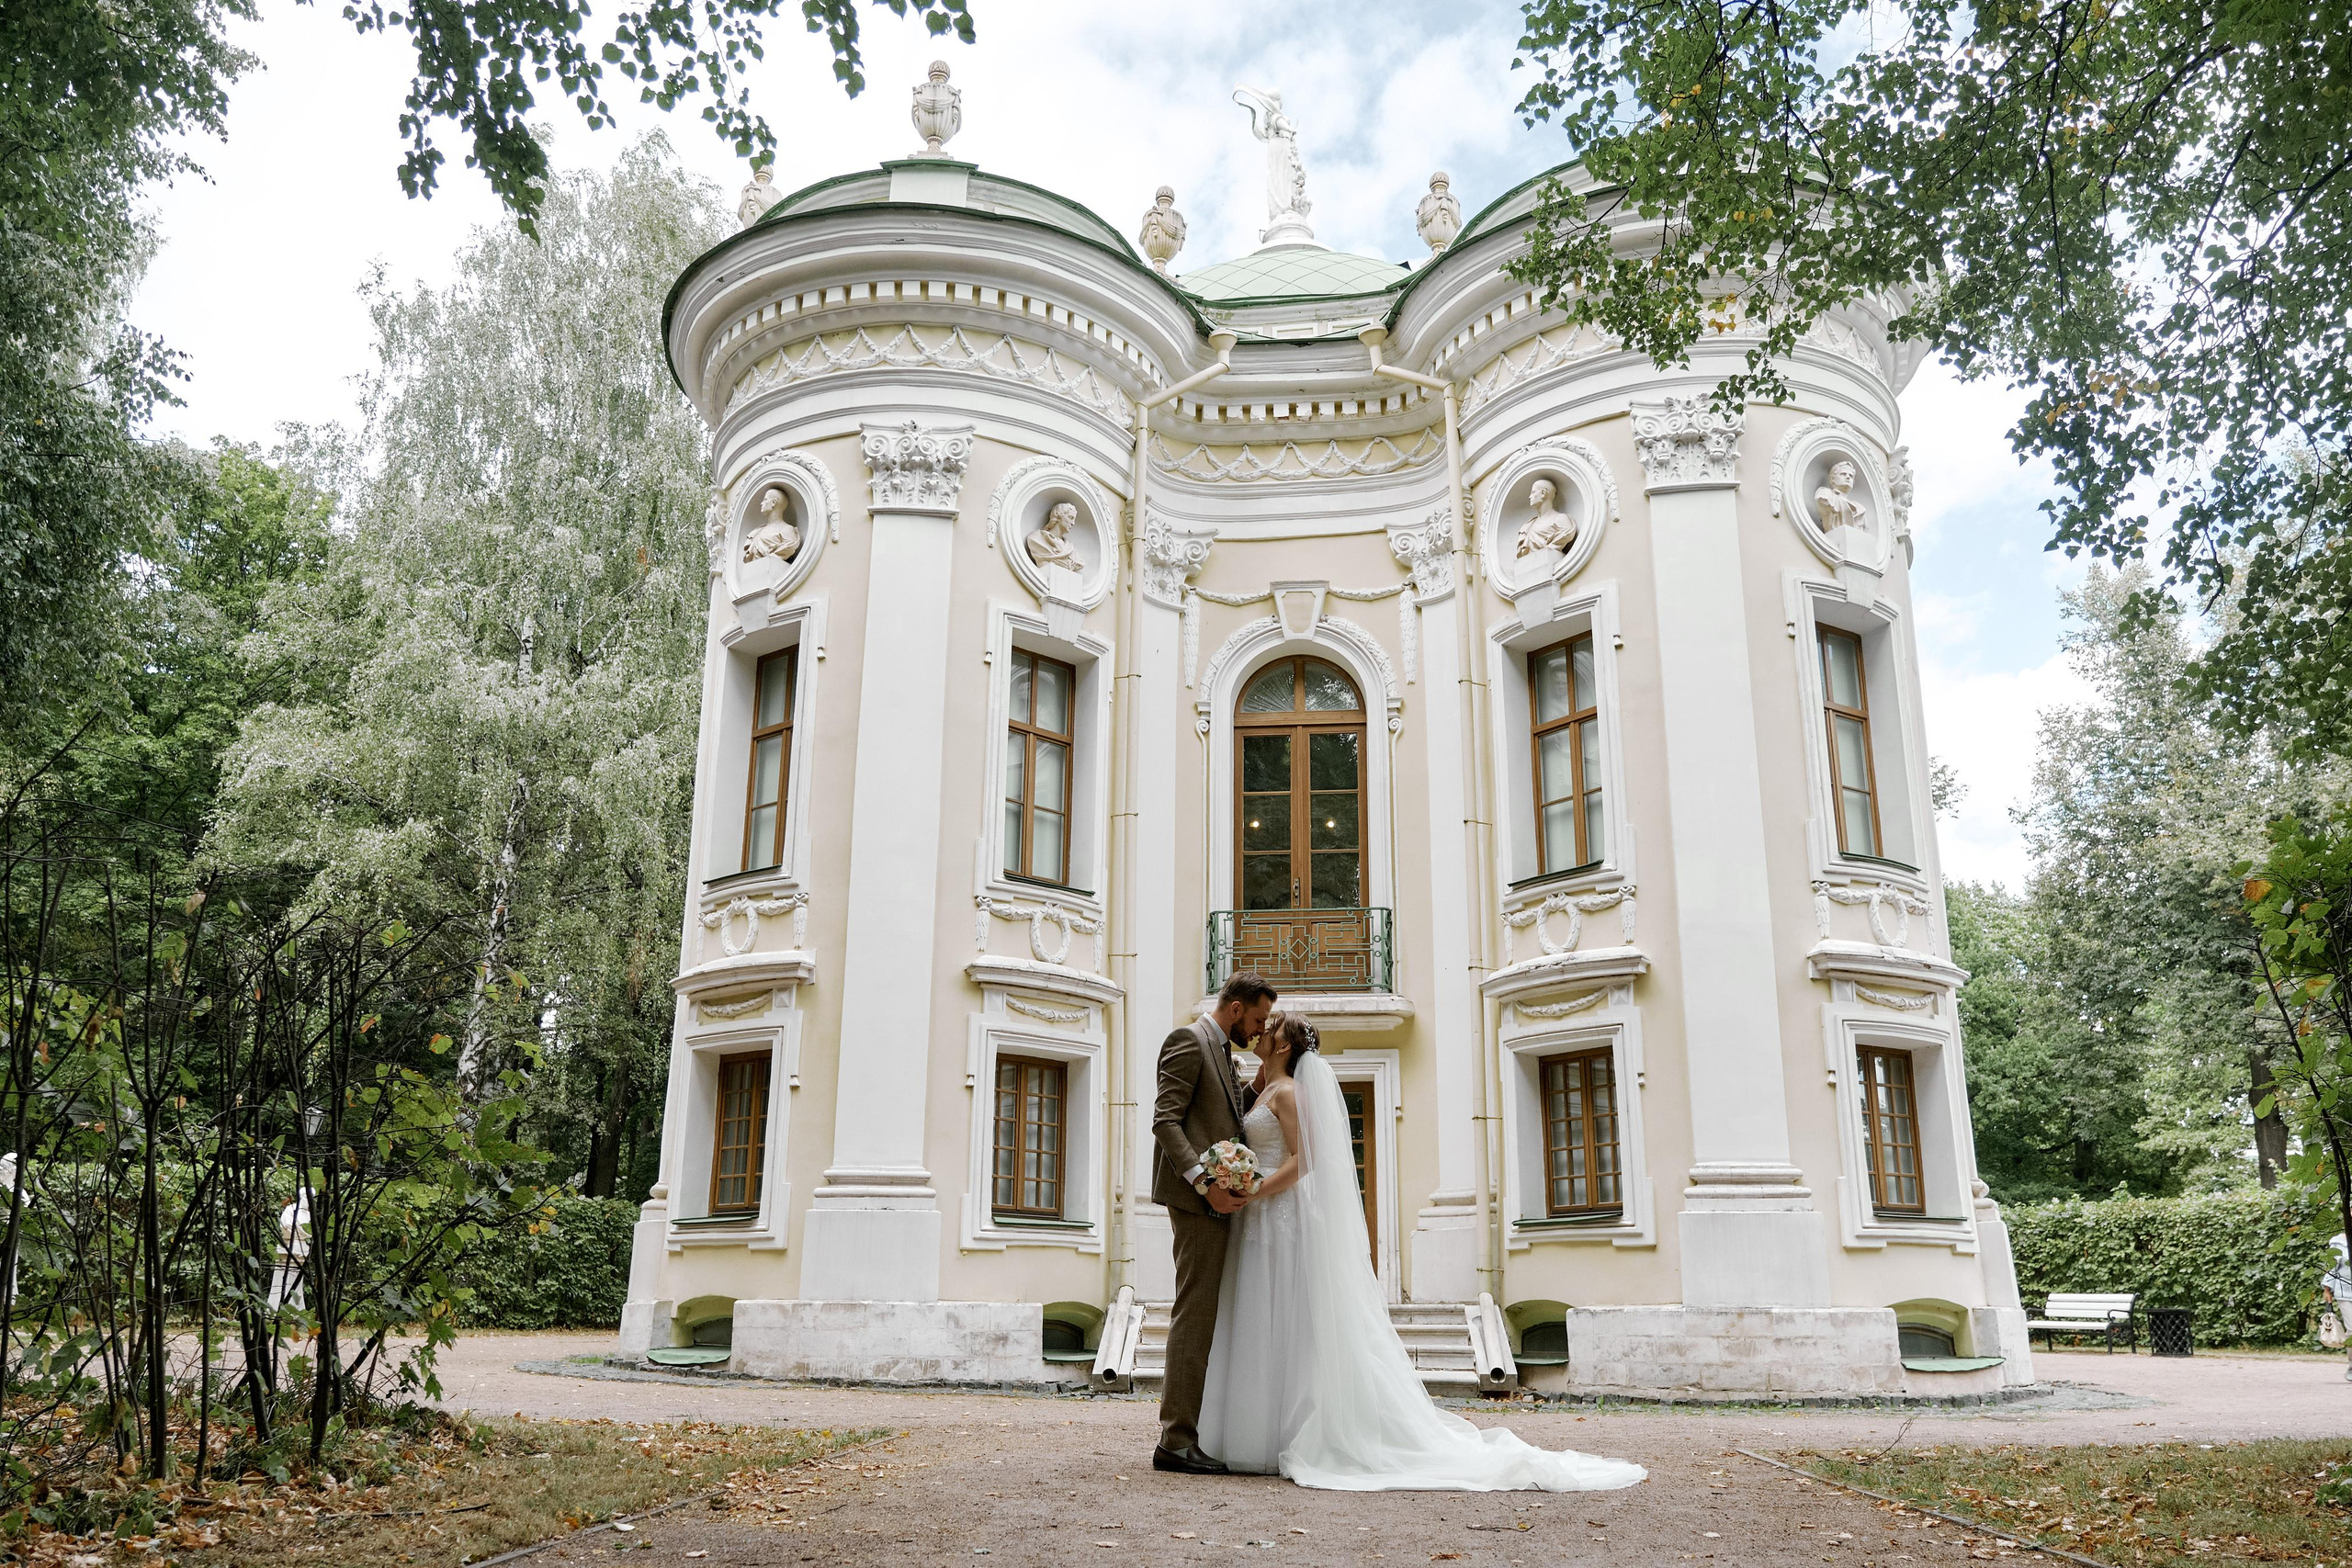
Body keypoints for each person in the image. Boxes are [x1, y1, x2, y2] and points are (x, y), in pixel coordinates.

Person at [1200, 1012, 1647, 1493]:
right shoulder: (1263, 1087)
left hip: (1279, 1215)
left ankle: (1289, 1433)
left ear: (1285, 1047)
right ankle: (1256, 1432)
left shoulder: (1288, 1093)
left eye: (1271, 1031)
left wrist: (1257, 1188)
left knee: (1286, 1314)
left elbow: (1304, 1160)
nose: (1262, 1033)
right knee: (1260, 1315)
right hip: (1257, 1220)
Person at [1150, 971, 1278, 1474]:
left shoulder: (1224, 1049)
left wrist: (1263, 1079)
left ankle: (1190, 1433)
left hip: (1217, 1199)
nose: (1259, 1029)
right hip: (1197, 1201)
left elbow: (1225, 1116)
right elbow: (1166, 1120)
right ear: (1236, 1008)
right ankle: (1175, 1442)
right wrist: (1207, 1184)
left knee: (1207, 1315)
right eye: (1259, 1019)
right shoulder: (1189, 1040)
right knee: (1195, 1314)